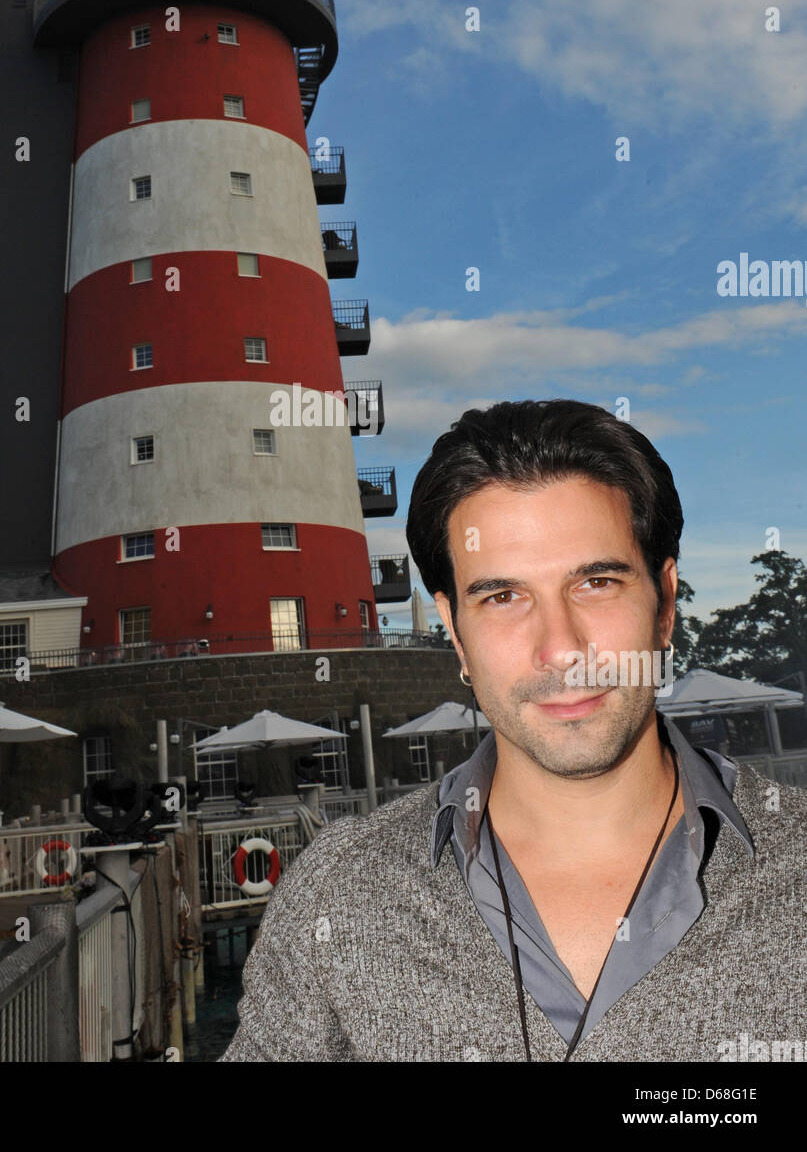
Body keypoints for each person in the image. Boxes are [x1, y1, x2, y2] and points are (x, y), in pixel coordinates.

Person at [220, 400, 807, 1062]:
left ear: (664, 603)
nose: (560, 649)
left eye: (596, 582)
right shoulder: (337, 891)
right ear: (455, 632)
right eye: (502, 597)